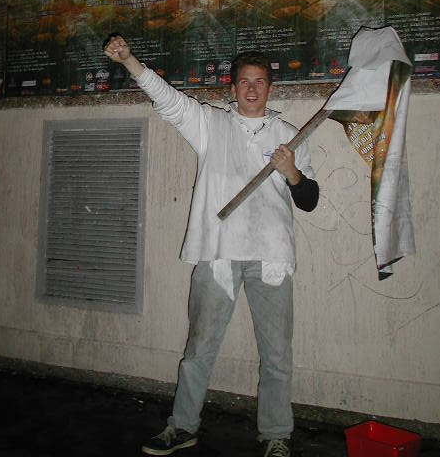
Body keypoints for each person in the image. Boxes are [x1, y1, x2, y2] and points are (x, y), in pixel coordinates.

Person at [104, 35, 319, 457]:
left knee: (277, 356)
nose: (252, 89)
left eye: (259, 82)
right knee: (199, 349)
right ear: (233, 87)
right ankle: (182, 427)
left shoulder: (290, 137)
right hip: (217, 254)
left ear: (270, 88)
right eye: (244, 82)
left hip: (272, 258)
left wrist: (292, 171)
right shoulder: (210, 124)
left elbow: (309, 200)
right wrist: (129, 60)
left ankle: (276, 435)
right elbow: (167, 99)